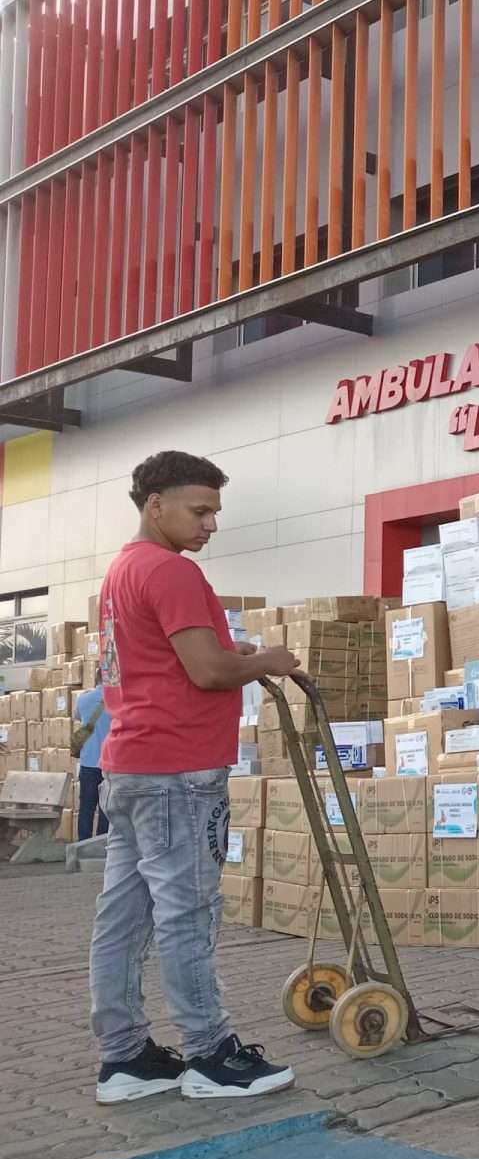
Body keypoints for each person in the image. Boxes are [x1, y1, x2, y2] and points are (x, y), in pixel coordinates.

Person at [90, 452, 304, 1104]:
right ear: (155, 504)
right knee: (188, 912)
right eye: (199, 509)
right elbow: (206, 673)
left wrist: (227, 651)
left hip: (132, 765)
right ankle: (211, 1055)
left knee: (123, 918)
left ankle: (124, 1059)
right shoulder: (172, 571)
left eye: (215, 511)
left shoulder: (122, 571)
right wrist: (268, 657)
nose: (210, 524)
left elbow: (173, 657)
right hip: (178, 773)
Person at [72, 685, 111, 839]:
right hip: (109, 763)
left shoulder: (83, 699)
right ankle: (101, 844)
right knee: (106, 808)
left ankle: (83, 843)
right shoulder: (117, 698)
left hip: (88, 761)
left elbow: (77, 716)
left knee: (86, 807)